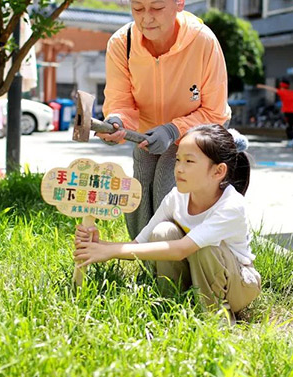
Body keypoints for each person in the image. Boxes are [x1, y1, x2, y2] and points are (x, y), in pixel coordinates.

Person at [98, 0, 231, 240]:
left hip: (196, 136)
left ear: (179, 2)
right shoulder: (122, 43)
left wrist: (174, 130)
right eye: (137, 8)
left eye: (157, 8)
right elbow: (120, 100)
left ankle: (172, 265)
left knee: (166, 181)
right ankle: (141, 258)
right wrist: (117, 121)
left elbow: (215, 113)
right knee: (138, 180)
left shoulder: (203, 42)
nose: (146, 18)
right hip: (146, 135)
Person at [74, 124, 261, 321]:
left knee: (205, 247)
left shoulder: (231, 206)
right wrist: (100, 246)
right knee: (163, 232)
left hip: (238, 285)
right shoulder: (176, 197)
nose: (179, 168)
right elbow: (141, 244)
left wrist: (110, 252)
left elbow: (181, 249)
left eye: (189, 161)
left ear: (218, 171)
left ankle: (217, 316)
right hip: (197, 275)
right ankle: (170, 307)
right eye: (178, 159)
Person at [256, 79, 293, 149]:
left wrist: (262, 86)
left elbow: (272, 89)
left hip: (287, 112)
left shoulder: (282, 92)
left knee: (288, 128)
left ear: (282, 86)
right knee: (291, 126)